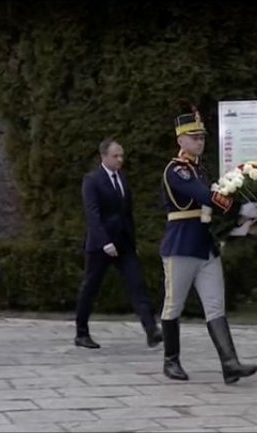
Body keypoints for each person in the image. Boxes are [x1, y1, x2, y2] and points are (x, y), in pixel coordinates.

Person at [159, 105, 257, 384]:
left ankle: (230, 363)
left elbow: (211, 200)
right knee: (173, 306)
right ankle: (171, 361)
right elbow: (204, 196)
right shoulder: (177, 171)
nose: (199, 141)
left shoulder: (199, 169)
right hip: (181, 246)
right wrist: (240, 209)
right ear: (180, 140)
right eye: (193, 137)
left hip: (204, 246)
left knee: (216, 306)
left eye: (202, 137)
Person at [74, 138, 163, 349]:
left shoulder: (122, 178)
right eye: (115, 156)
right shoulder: (92, 180)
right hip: (101, 245)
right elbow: (92, 215)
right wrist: (104, 241)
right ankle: (81, 332)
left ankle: (151, 329)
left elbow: (127, 213)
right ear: (103, 156)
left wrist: (133, 241)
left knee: (137, 284)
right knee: (91, 287)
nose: (120, 159)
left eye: (121, 155)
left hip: (124, 243)